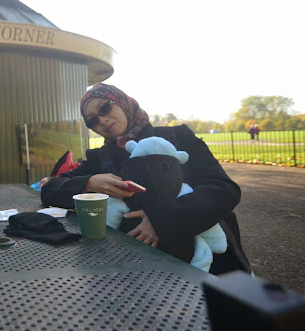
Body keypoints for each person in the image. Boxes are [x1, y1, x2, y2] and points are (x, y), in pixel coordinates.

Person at [41, 83, 251, 275]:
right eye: (92, 121)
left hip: (209, 265)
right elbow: (50, 190)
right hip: (135, 269)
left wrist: (161, 220)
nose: (102, 120)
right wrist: (90, 183)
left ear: (123, 102)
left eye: (105, 108)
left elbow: (224, 190)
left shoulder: (179, 137)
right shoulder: (100, 157)